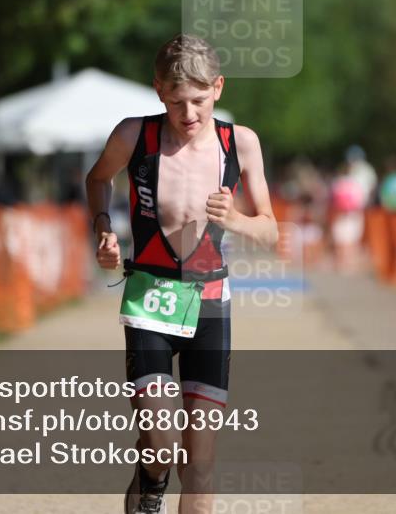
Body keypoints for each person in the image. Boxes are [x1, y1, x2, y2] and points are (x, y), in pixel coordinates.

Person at [85, 34, 278, 514]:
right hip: (150, 296)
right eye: (176, 102)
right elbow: (97, 179)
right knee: (162, 442)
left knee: (201, 461)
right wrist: (103, 230)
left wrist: (234, 220)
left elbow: (271, 231)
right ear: (157, 91)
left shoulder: (242, 143)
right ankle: (150, 483)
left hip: (211, 300)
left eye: (198, 101)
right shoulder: (136, 135)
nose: (188, 114)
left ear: (218, 88)